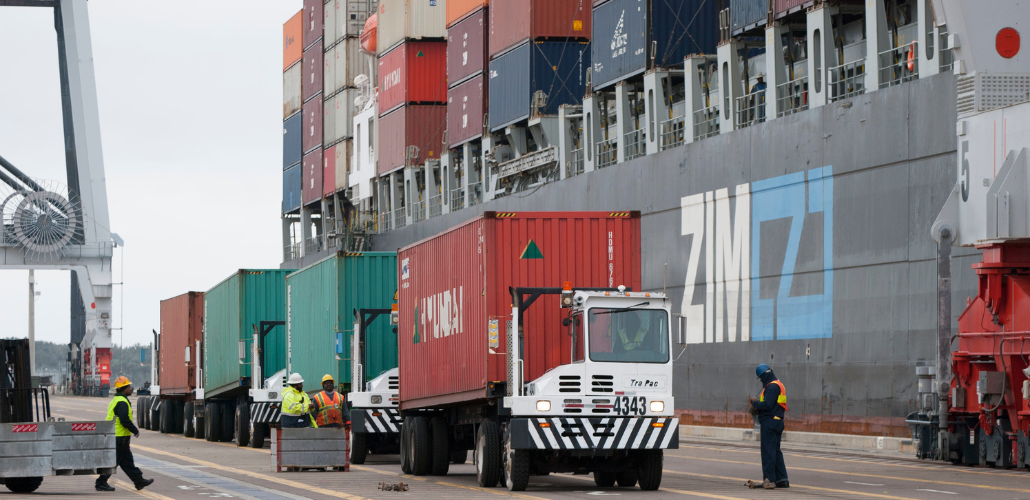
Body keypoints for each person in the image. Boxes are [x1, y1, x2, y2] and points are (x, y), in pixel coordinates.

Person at [95, 376, 155, 492]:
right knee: (117, 462)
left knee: (126, 462)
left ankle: (139, 481)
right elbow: (124, 419)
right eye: (128, 387)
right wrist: (134, 429)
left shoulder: (116, 400)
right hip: (119, 437)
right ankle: (101, 482)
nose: (131, 388)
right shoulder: (121, 402)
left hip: (117, 436)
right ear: (123, 389)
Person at [749, 364, 789, 489]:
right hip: (777, 422)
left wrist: (755, 403)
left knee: (768, 452)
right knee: (776, 451)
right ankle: (782, 479)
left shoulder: (772, 387)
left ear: (765, 375)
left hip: (770, 423)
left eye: (761, 377)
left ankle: (769, 480)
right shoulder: (778, 384)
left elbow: (767, 405)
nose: (761, 380)